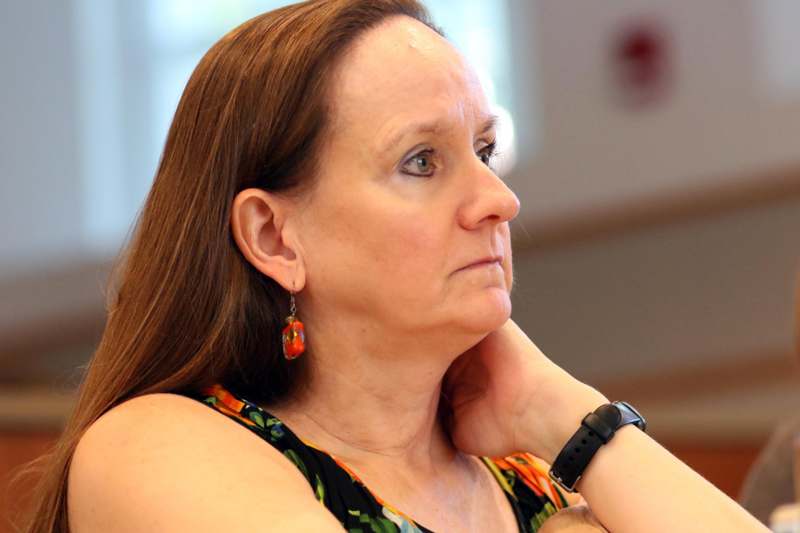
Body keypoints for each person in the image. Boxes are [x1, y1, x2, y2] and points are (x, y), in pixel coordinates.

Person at [17, 1, 768, 531]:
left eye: (482, 151)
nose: (498, 200)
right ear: (274, 237)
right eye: (420, 161)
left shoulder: (530, 474)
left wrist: (566, 413)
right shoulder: (154, 448)